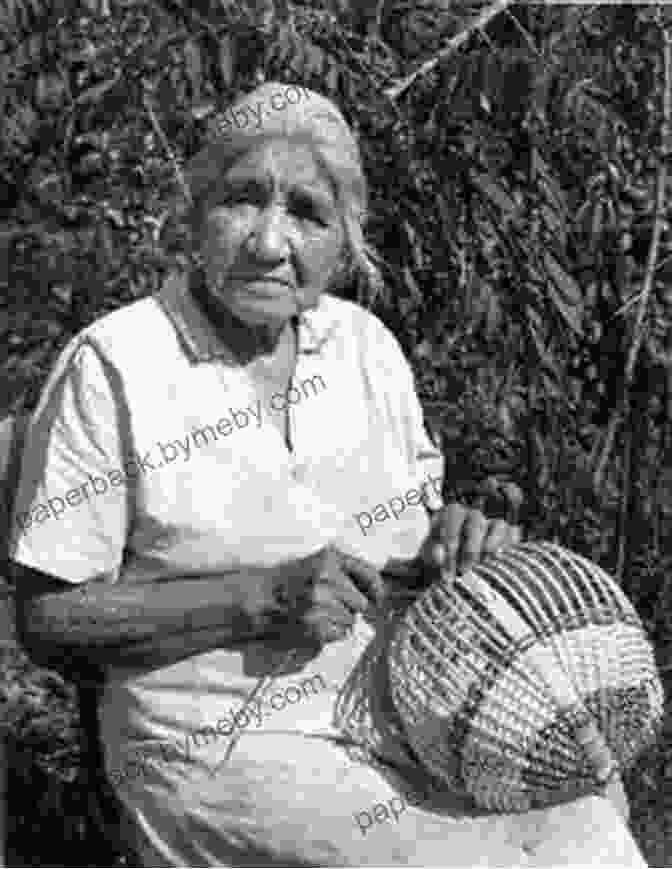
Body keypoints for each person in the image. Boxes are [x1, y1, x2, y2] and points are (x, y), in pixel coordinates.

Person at [9, 82, 526, 866]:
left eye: (309, 214)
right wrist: (257, 597)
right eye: (243, 200)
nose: (269, 243)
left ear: (345, 244)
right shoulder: (116, 362)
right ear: (193, 217)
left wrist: (456, 545)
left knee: (584, 818)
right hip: (215, 747)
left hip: (401, 722)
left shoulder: (366, 350)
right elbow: (47, 619)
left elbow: (406, 545)